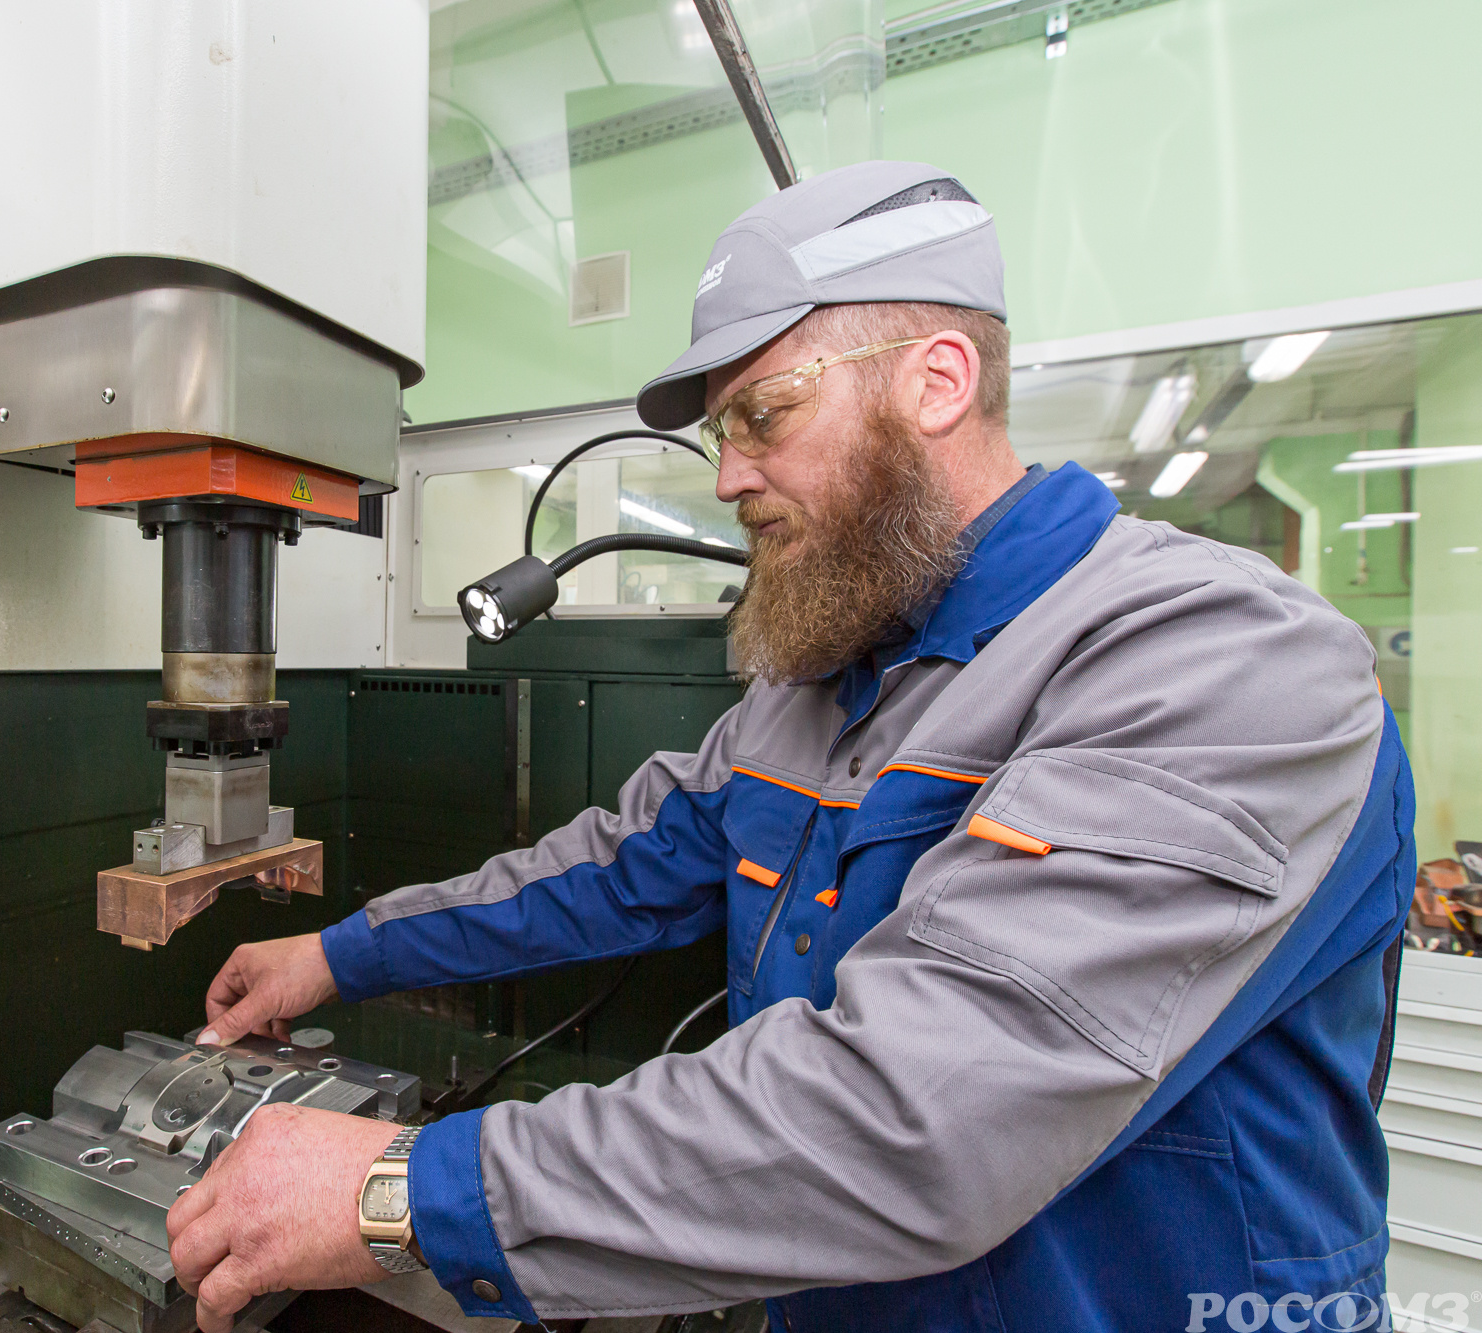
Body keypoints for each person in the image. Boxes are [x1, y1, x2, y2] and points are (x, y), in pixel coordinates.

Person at [163, 160, 1414, 1333]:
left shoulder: (1220, 661)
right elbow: (606, 870)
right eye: (723, 432)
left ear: (936, 381)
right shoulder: (818, 685)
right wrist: (333, 955)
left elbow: (915, 1117)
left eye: (763, 414)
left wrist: (403, 1188)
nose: (727, 478)